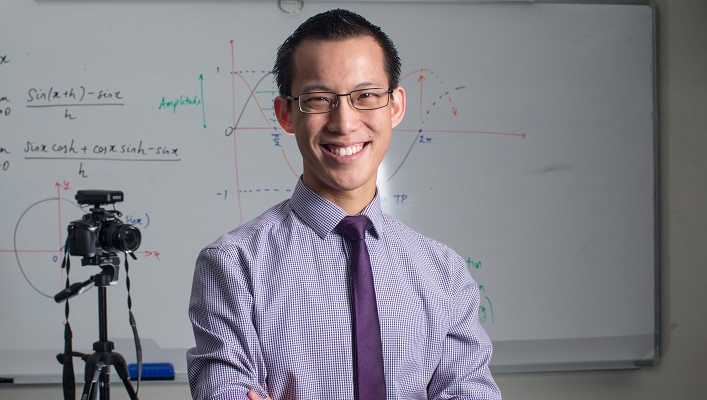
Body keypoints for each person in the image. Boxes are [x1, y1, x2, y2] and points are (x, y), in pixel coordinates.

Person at [187, 9, 501, 400]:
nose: (345, 122)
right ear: (286, 114)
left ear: (395, 106)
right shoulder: (233, 266)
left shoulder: (444, 273)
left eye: (366, 96)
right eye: (319, 99)